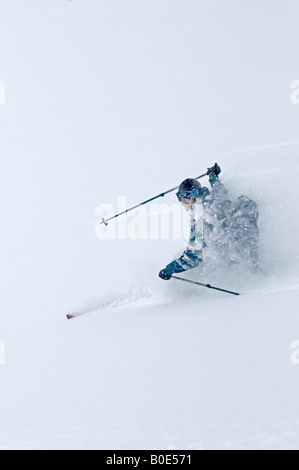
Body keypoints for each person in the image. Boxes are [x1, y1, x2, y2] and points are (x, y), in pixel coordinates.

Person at [159, 163, 259, 280]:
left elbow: (194, 256)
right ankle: (261, 277)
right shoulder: (212, 197)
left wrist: (170, 269)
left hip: (235, 244)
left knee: (236, 261)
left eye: (183, 199)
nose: (183, 203)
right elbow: (219, 189)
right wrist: (213, 177)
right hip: (247, 229)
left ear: (191, 196)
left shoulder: (200, 215)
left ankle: (253, 282)